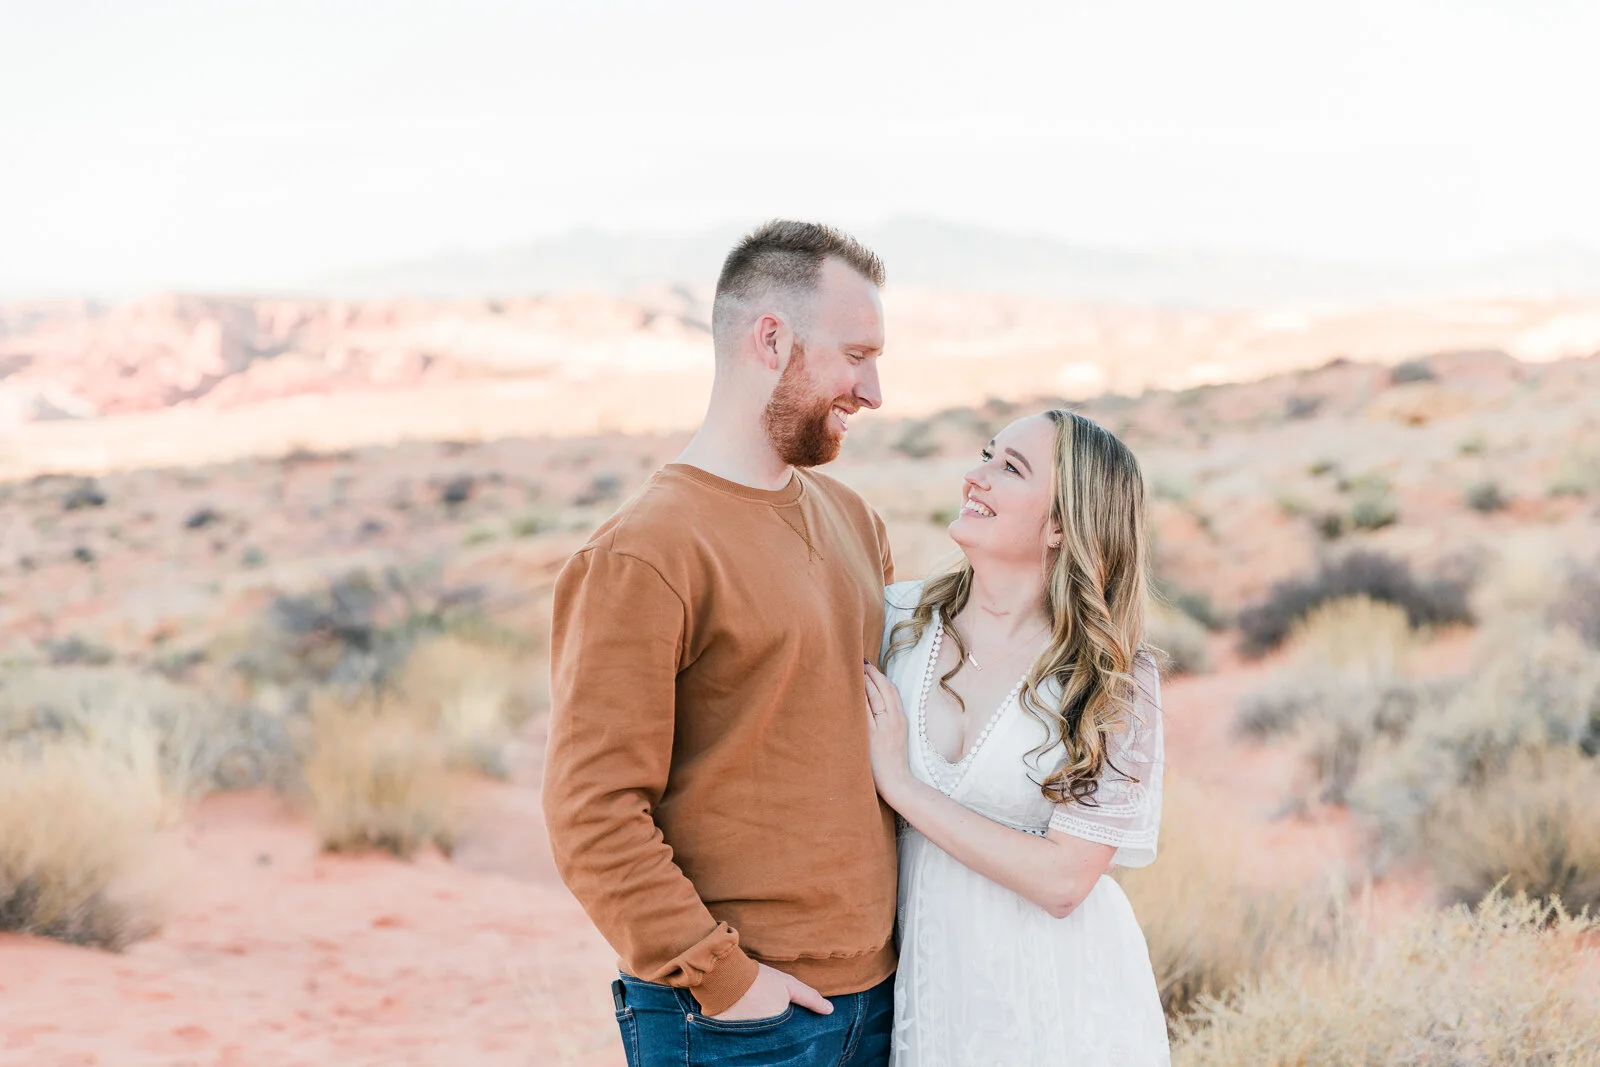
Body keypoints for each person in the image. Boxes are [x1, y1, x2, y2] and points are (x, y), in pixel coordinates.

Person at [543, 220, 898, 1067]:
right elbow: (591, 812)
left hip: (885, 998)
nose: (874, 389)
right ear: (771, 340)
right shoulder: (644, 552)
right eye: (856, 354)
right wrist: (726, 978)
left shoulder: (853, 519)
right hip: (739, 1025)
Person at [862, 409, 1171, 1066]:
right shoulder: (895, 623)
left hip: (1062, 1002)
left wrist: (901, 786)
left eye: (1011, 468)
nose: (976, 477)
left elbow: (1065, 879)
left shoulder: (1112, 677)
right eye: (986, 455)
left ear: (1062, 522)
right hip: (932, 985)